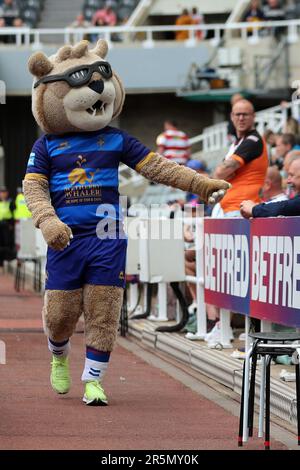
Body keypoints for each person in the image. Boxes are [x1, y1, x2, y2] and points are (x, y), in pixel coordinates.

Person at [213, 99, 268, 217]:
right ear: (232, 117)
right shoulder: (237, 144)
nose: (241, 118)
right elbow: (220, 175)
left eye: (245, 114)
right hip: (231, 209)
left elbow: (220, 173)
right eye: (238, 114)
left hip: (242, 209)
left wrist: (227, 173)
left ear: (254, 116)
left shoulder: (253, 140)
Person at [0, 186, 15, 268]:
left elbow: (13, 213)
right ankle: (1, 262)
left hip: (7, 224)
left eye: (4, 192)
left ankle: (8, 260)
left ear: (7, 193)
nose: (3, 194)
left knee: (7, 243)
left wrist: (11, 225)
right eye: (1, 192)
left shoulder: (10, 202)